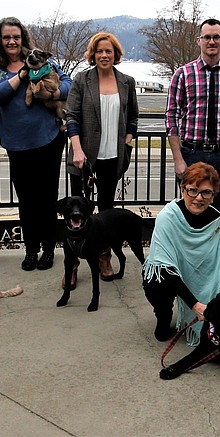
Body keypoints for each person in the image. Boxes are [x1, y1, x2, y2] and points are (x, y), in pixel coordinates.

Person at [0, 17, 71, 271]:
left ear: (23, 39)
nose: (12, 41)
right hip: (17, 146)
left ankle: (48, 249)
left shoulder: (45, 63)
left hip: (49, 141)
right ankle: (31, 250)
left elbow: (69, 84)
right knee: (26, 201)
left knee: (47, 199)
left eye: (16, 37)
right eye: (6, 37)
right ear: (0, 41)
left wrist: (52, 94)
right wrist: (21, 76)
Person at [65, 31, 139, 279]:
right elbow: (71, 115)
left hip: (112, 157)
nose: (104, 55)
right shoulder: (82, 80)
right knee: (76, 210)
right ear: (92, 54)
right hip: (82, 156)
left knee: (106, 212)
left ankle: (104, 259)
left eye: (108, 51)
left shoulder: (127, 82)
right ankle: (72, 265)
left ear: (116, 54)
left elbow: (133, 118)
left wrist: (127, 143)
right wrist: (77, 148)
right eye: (99, 51)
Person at [142, 162, 220, 345]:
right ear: (182, 190)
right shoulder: (167, 217)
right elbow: (164, 268)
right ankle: (164, 315)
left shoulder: (218, 223)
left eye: (206, 192)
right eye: (192, 190)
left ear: (213, 196)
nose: (198, 198)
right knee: (157, 281)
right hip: (169, 275)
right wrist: (196, 306)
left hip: (201, 276)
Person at [165, 19, 220, 205]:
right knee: (190, 209)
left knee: (216, 209)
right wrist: (178, 159)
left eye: (216, 37)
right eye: (207, 37)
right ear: (199, 40)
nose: (211, 42)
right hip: (191, 153)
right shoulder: (182, 74)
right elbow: (171, 118)